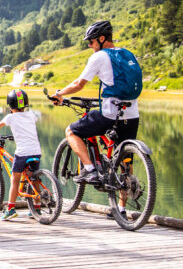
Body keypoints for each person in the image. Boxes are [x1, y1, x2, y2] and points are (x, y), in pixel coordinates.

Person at [50, 20, 141, 185]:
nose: (90, 45)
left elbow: (79, 84)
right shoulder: (128, 54)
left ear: (101, 38)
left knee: (71, 131)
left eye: (91, 41)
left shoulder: (99, 57)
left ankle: (90, 170)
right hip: (132, 113)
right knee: (125, 161)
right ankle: (121, 208)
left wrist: (59, 93)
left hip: (110, 113)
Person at [0, 88, 41, 221]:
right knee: (33, 178)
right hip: (36, 151)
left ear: (10, 105)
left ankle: (10, 209)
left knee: (15, 180)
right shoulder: (31, 114)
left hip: (22, 153)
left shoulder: (10, 117)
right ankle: (37, 207)